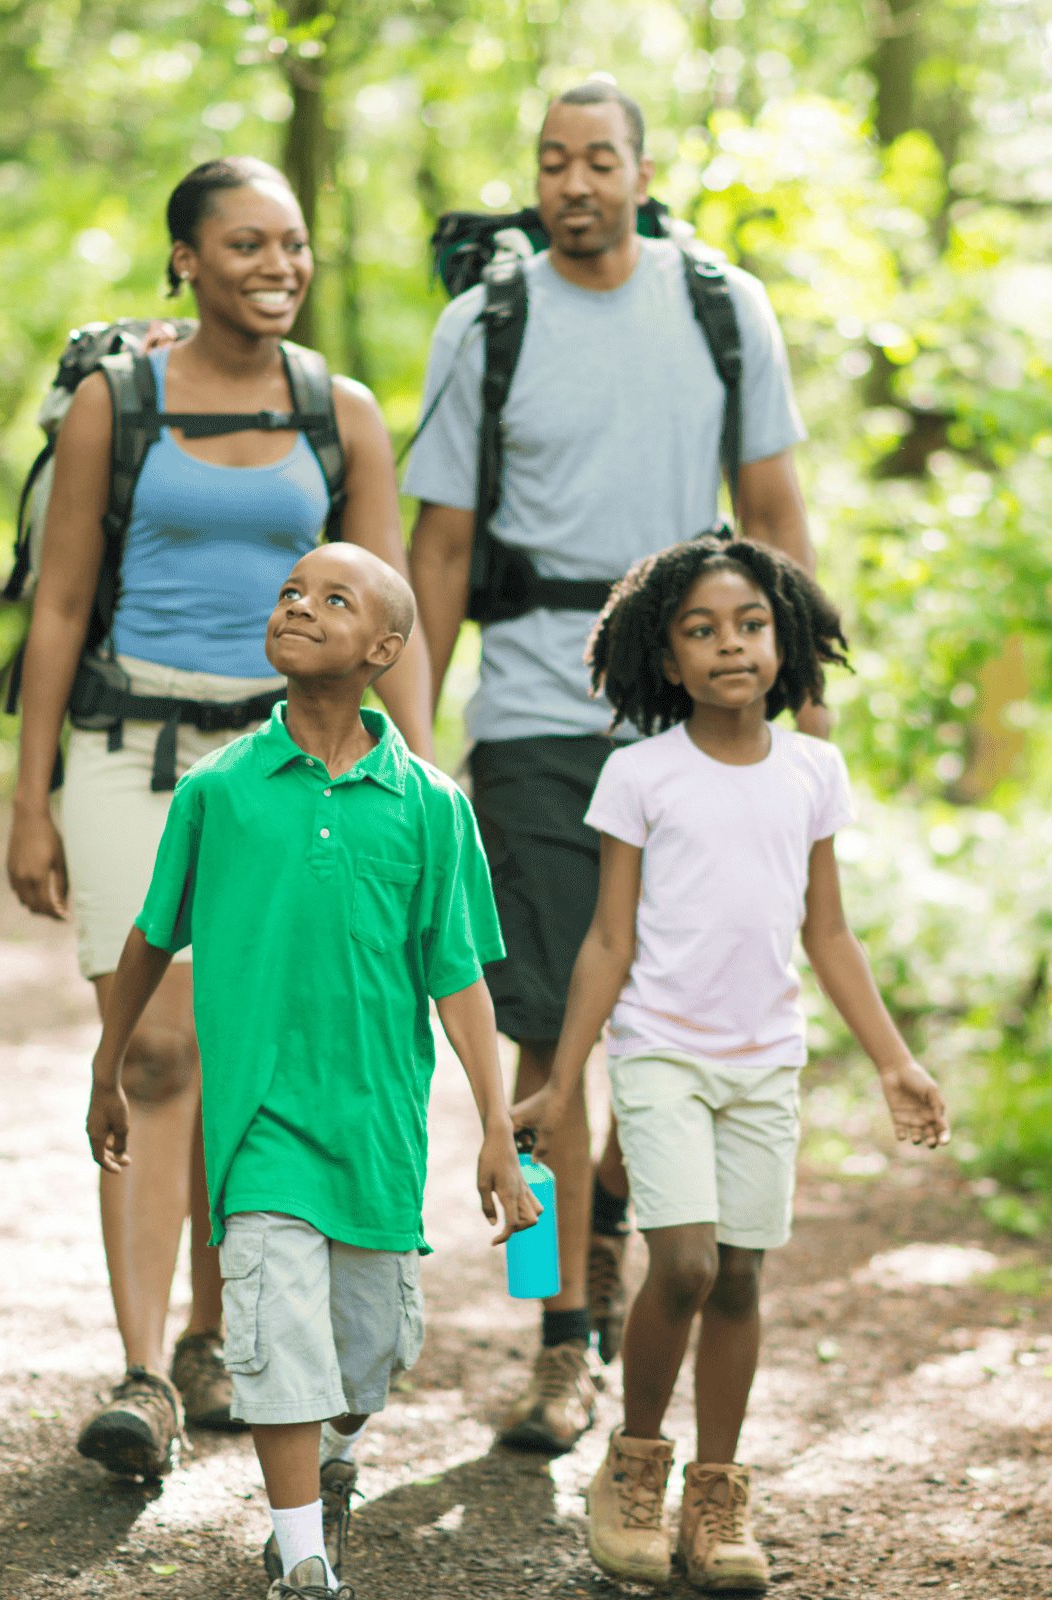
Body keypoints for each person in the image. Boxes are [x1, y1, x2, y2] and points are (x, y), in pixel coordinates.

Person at [405, 78, 822, 1455]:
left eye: (599, 160)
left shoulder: (723, 305)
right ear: (533, 181)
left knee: (672, 1018)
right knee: (546, 1035)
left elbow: (771, 516)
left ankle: (607, 1248)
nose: (574, 182)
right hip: (530, 714)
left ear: (643, 174)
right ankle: (553, 1332)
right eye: (551, 162)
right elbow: (445, 548)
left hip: (691, 719)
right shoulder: (486, 325)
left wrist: (798, 696)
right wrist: (412, 735)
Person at [7, 154, 435, 1479]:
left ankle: (216, 1340)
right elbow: (61, 604)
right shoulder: (113, 404)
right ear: (184, 259)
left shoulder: (341, 412)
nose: (279, 267)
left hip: (284, 771)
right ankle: (143, 1372)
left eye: (294, 245)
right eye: (247, 244)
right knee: (160, 1049)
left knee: (261, 1055)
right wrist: (30, 802)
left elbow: (393, 616)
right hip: (128, 753)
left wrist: (416, 787)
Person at [86, 542, 536, 1600]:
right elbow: (152, 937)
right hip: (260, 1126)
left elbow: (459, 976)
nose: (299, 605)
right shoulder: (219, 791)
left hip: (377, 1125)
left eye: (333, 598)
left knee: (366, 1348)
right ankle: (302, 1556)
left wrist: (495, 1124)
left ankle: (335, 1463)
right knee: (274, 1330)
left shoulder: (431, 805)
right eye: (290, 591)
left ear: (383, 648)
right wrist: (107, 1064)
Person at [511, 535, 950, 1593]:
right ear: (665, 660)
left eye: (748, 625)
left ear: (783, 637)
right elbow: (606, 942)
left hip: (765, 1062)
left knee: (744, 1276)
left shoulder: (813, 771)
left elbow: (828, 933)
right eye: (700, 631)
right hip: (660, 1054)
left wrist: (893, 1060)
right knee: (692, 1263)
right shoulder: (637, 774)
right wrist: (564, 1082)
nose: (728, 646)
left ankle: (715, 1492)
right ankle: (635, 1470)